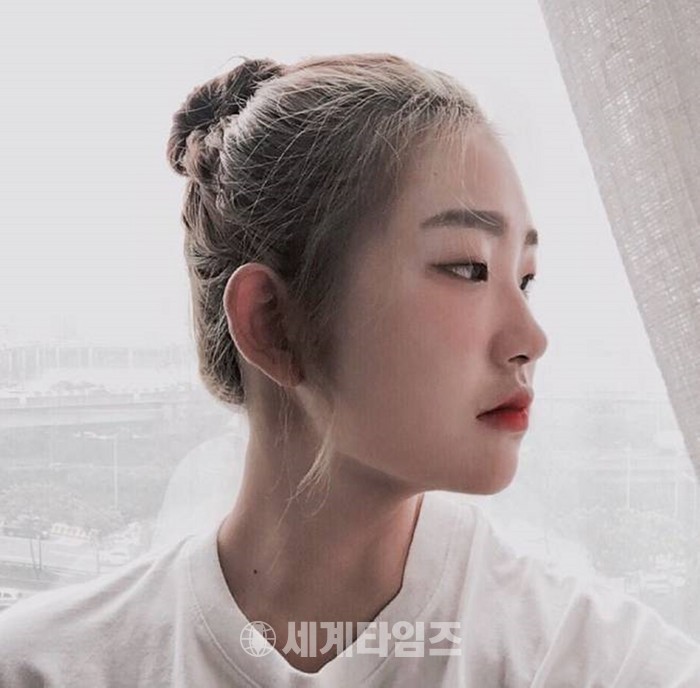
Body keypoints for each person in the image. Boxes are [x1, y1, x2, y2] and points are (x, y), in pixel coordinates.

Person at [1, 52, 700, 687]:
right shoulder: (45, 668)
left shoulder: (591, 663)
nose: (531, 339)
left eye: (526, 278)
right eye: (468, 268)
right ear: (272, 322)